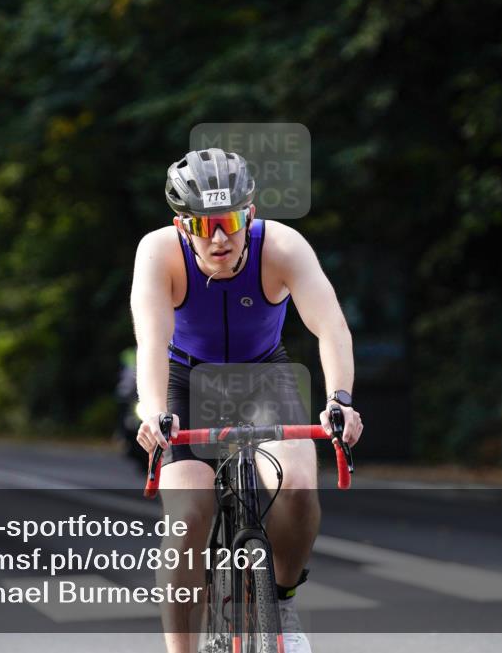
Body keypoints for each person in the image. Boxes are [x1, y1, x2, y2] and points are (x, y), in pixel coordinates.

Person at [130, 147, 363, 653]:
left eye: (231, 221)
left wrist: (340, 399)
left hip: (263, 377)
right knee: (188, 518)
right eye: (204, 224)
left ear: (250, 214)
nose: (219, 238)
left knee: (297, 486)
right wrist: (154, 412)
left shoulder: (282, 246)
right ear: (182, 225)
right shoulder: (157, 252)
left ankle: (281, 601)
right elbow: (150, 342)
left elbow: (331, 327)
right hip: (185, 381)